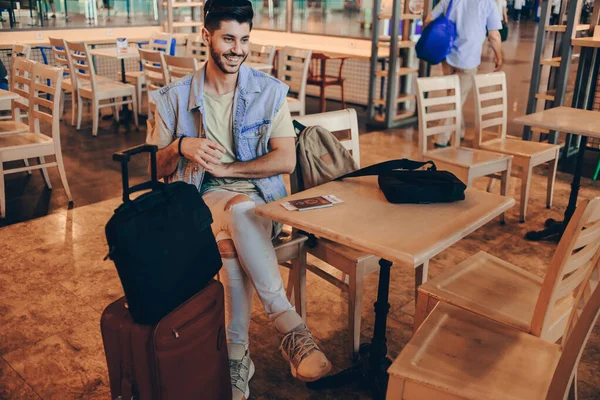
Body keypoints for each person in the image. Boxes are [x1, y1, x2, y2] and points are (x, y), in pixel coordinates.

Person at [147, 0, 332, 398]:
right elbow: (154, 170)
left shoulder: (268, 92)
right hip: (199, 202)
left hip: (261, 202)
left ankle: (236, 359)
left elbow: (285, 158)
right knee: (235, 211)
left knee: (232, 240)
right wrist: (181, 145)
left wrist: (229, 171)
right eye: (228, 38)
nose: (238, 49)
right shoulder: (172, 98)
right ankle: (291, 330)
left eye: (245, 39)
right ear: (206, 36)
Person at [425, 0, 503, 147]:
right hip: (469, 59)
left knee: (454, 96)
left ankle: (459, 131)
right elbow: (494, 35)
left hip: (447, 56)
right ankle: (441, 139)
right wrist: (499, 57)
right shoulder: (487, 3)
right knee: (455, 99)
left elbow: (429, 19)